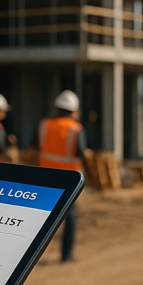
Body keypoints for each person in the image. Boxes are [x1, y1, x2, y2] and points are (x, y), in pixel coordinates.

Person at [38, 90, 88, 262]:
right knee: (70, 217)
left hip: (45, 177)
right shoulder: (75, 128)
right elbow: (81, 153)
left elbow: (34, 146)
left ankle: (31, 255)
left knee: (41, 218)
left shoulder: (44, 124)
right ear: (74, 111)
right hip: (68, 179)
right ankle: (66, 255)